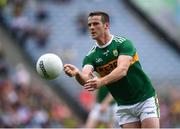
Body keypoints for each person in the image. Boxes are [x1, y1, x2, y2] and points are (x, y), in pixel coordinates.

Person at [64, 11, 160, 128]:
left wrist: (101, 81)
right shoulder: (91, 56)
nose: (92, 27)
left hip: (145, 98)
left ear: (106, 25)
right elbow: (86, 79)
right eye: (89, 25)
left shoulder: (123, 43)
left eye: (96, 24)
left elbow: (122, 70)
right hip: (124, 105)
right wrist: (77, 74)